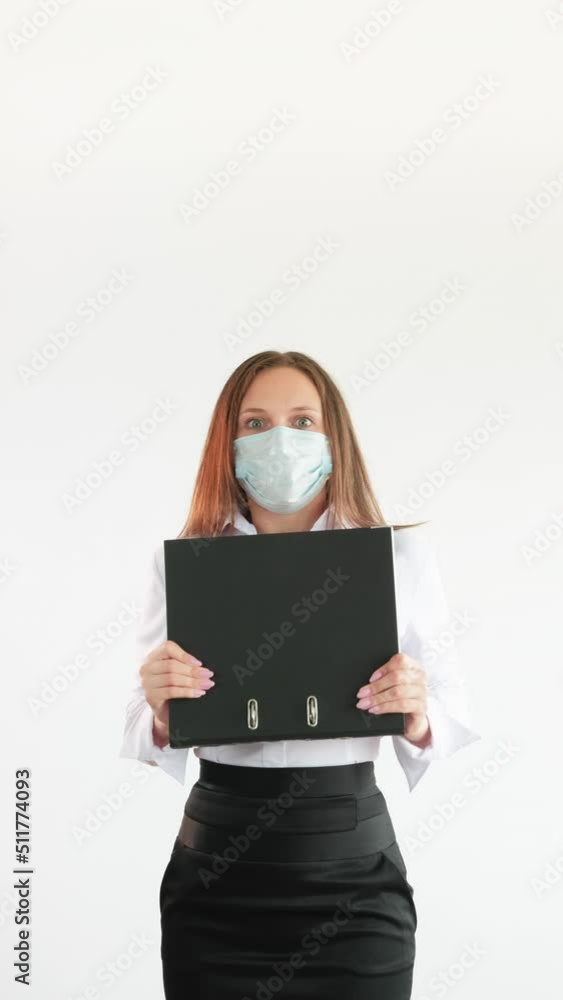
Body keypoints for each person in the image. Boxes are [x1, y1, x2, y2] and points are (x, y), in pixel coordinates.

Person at [119, 350, 481, 1000]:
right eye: (255, 423)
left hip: (355, 880)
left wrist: (418, 712)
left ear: (332, 437)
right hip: (216, 881)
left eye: (302, 421)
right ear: (227, 443)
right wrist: (162, 709)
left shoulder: (397, 557)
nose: (280, 440)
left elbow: (449, 711)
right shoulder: (184, 563)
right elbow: (143, 727)